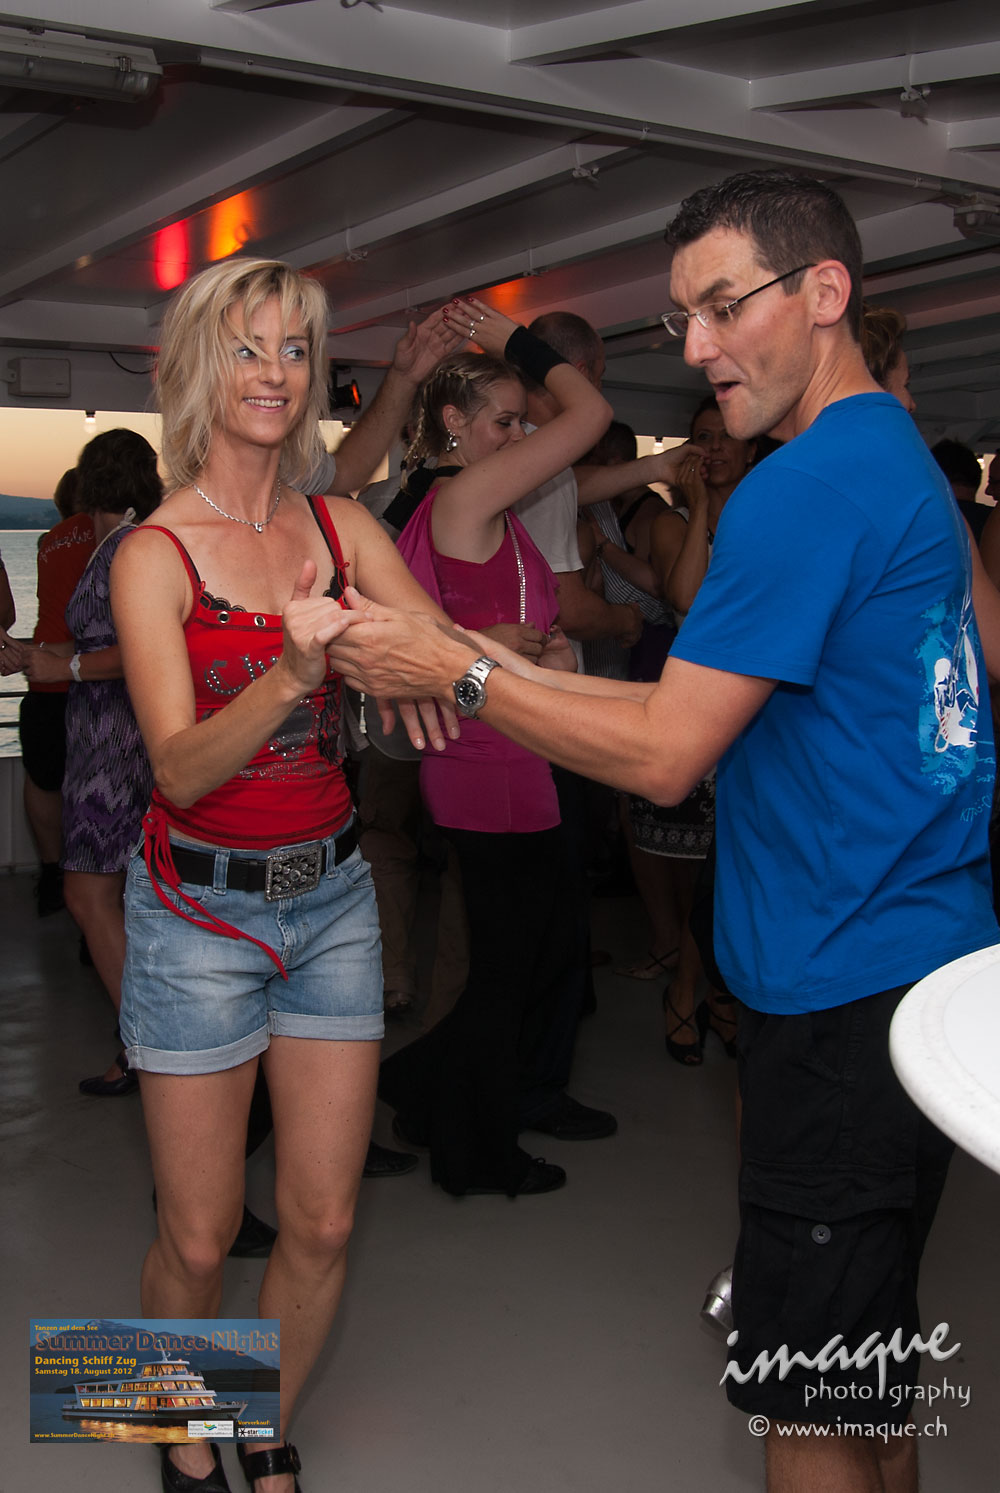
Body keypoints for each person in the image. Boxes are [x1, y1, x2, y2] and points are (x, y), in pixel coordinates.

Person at [325, 171, 1000, 1493]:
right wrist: (479, 660)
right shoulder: (896, 459)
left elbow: (666, 751)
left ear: (824, 291)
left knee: (810, 1409)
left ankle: (186, 1405)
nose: (693, 345)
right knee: (869, 1379)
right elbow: (682, 705)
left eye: (722, 305)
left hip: (842, 989)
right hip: (915, 970)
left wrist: (457, 670)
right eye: (683, 315)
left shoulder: (805, 489)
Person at [109, 257, 456, 1493]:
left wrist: (482, 666)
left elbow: (441, 650)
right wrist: (297, 672)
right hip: (195, 914)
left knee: (321, 1218)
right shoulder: (154, 553)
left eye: (294, 348)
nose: (273, 372)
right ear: (199, 368)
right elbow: (178, 767)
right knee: (201, 1235)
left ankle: (256, 1417)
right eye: (247, 347)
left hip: (333, 905)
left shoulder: (342, 528)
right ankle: (167, 1414)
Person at [379, 296, 616, 1197]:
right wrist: (507, 336)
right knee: (512, 969)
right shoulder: (464, 496)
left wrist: (538, 653)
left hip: (518, 757)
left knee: (534, 956)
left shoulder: (492, 507)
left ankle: (420, 1086)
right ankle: (474, 1153)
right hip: (486, 764)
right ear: (454, 421)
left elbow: (477, 633)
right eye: (505, 421)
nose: (521, 436)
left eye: (522, 422)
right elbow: (588, 415)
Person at [14, 431, 161, 1093]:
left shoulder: (127, 547)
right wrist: (34, 656)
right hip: (108, 733)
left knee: (87, 892)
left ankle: (146, 1045)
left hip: (116, 742)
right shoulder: (121, 543)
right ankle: (146, 1041)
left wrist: (67, 667)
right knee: (122, 895)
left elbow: (144, 649)